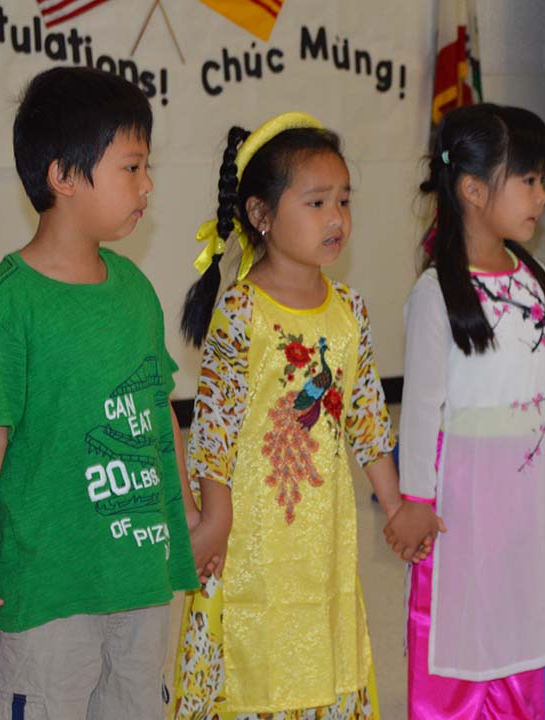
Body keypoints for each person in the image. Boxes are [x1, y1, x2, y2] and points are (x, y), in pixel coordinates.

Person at [0, 66, 197, 719]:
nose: (147, 184)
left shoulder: (134, 290)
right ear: (64, 176)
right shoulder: (6, 303)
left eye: (146, 166)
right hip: (44, 585)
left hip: (136, 573)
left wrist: (183, 511)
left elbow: (156, 407)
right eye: (131, 167)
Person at [170, 111, 419, 719]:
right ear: (260, 215)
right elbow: (214, 430)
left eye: (343, 200)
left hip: (322, 535)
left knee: (322, 639)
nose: (336, 218)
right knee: (260, 658)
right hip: (252, 536)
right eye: (316, 202)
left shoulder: (350, 308)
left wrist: (395, 505)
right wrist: (214, 520)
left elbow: (365, 419)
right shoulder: (241, 310)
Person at [393, 102, 545, 719]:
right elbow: (420, 407)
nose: (541, 194)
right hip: (467, 491)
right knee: (463, 614)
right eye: (527, 179)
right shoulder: (437, 292)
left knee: (522, 610)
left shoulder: (535, 277)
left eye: (541, 179)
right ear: (473, 189)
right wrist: (415, 501)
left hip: (530, 488)